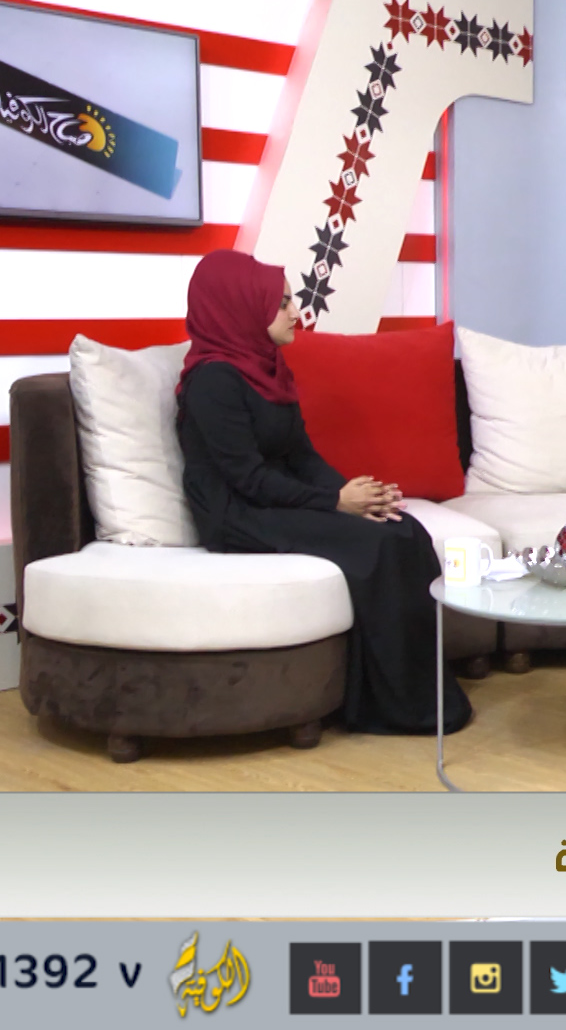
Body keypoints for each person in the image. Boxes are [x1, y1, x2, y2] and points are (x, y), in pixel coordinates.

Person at [174, 249, 472, 735]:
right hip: (238, 514)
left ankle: (426, 693)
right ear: (241, 307)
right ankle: (388, 707)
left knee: (405, 530)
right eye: (282, 303)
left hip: (279, 500)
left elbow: (302, 456)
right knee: (375, 547)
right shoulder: (213, 380)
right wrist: (335, 503)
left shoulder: (268, 368)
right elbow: (247, 479)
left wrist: (357, 493)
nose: (296, 312)